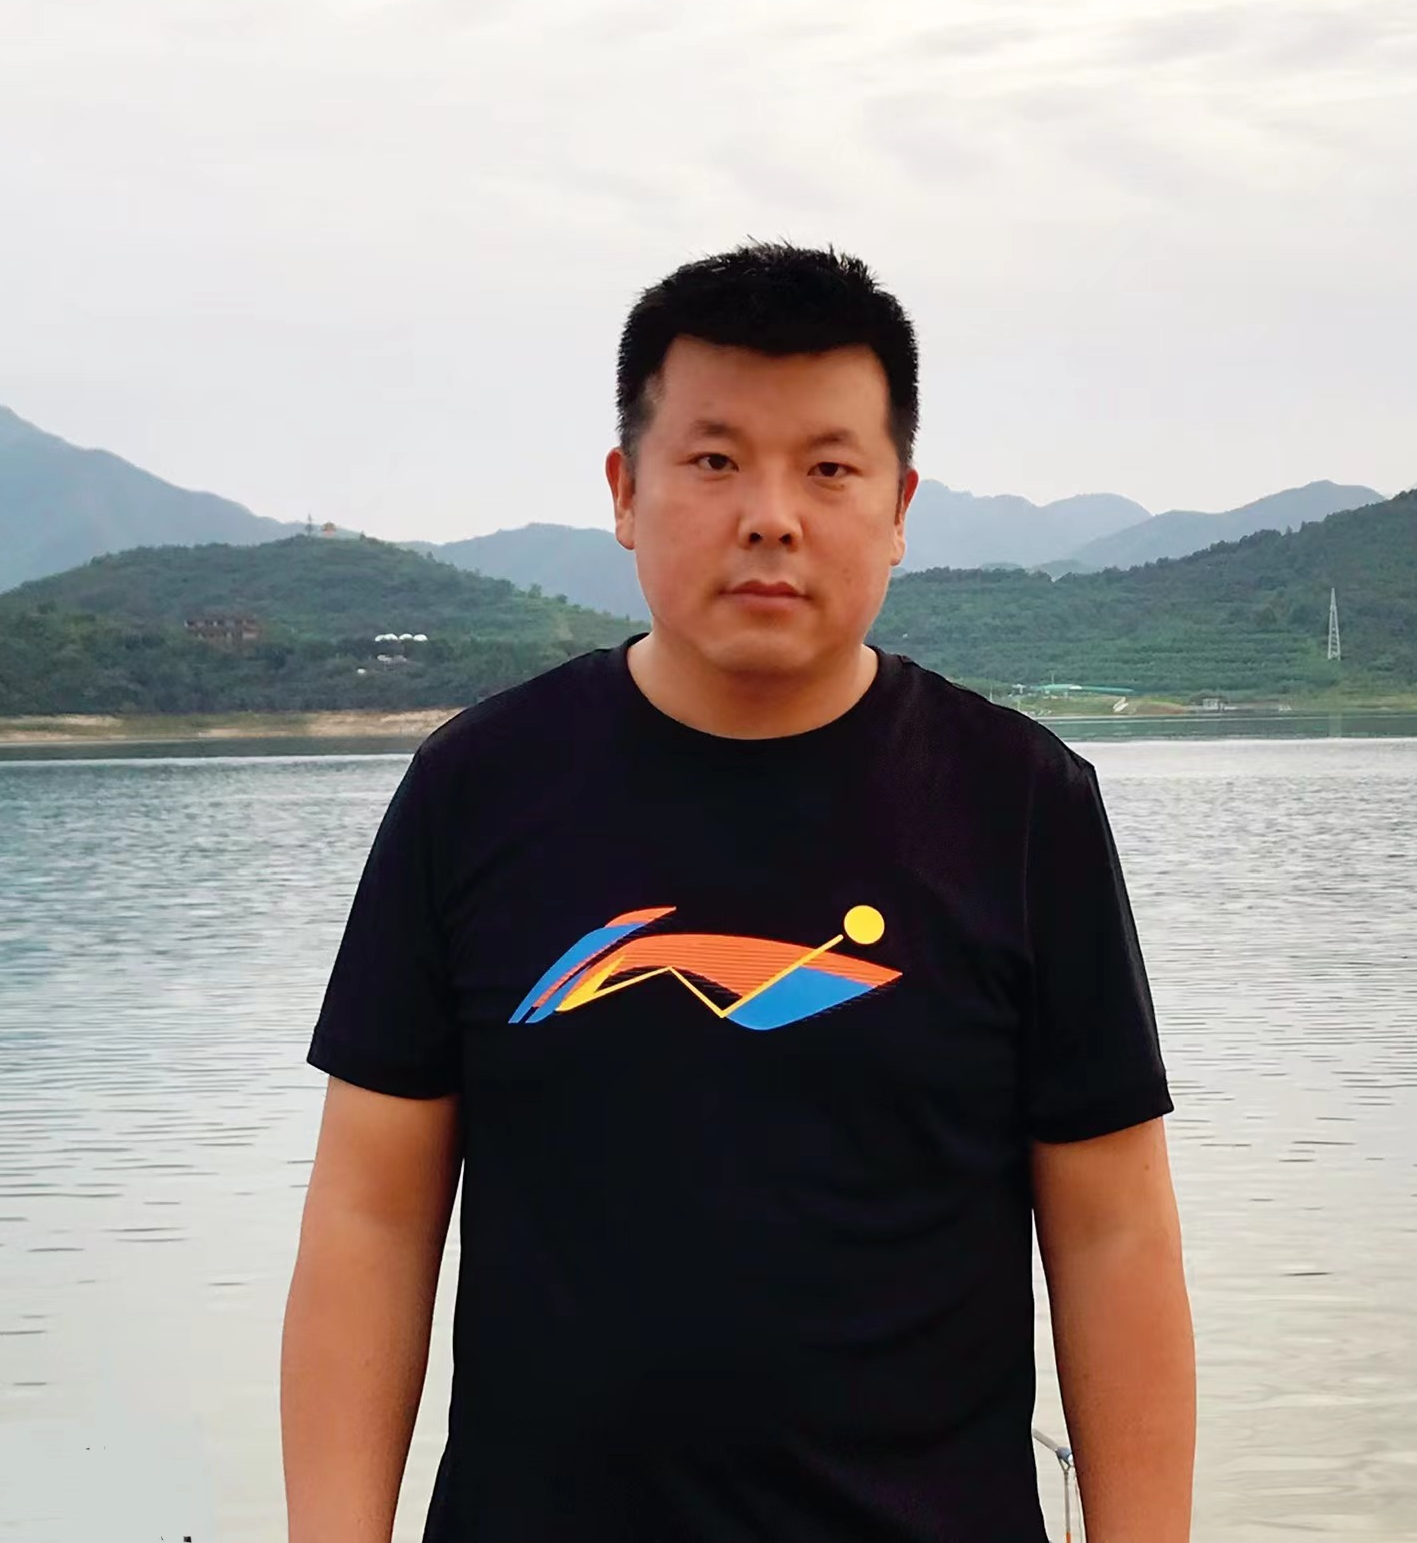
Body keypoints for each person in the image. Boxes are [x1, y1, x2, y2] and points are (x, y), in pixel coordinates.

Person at [280, 243, 1196, 1543]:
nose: (772, 515)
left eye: (828, 468)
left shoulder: (1022, 805)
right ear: (625, 491)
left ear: (900, 506)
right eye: (715, 461)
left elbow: (1113, 1236)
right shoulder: (476, 790)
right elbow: (370, 1214)